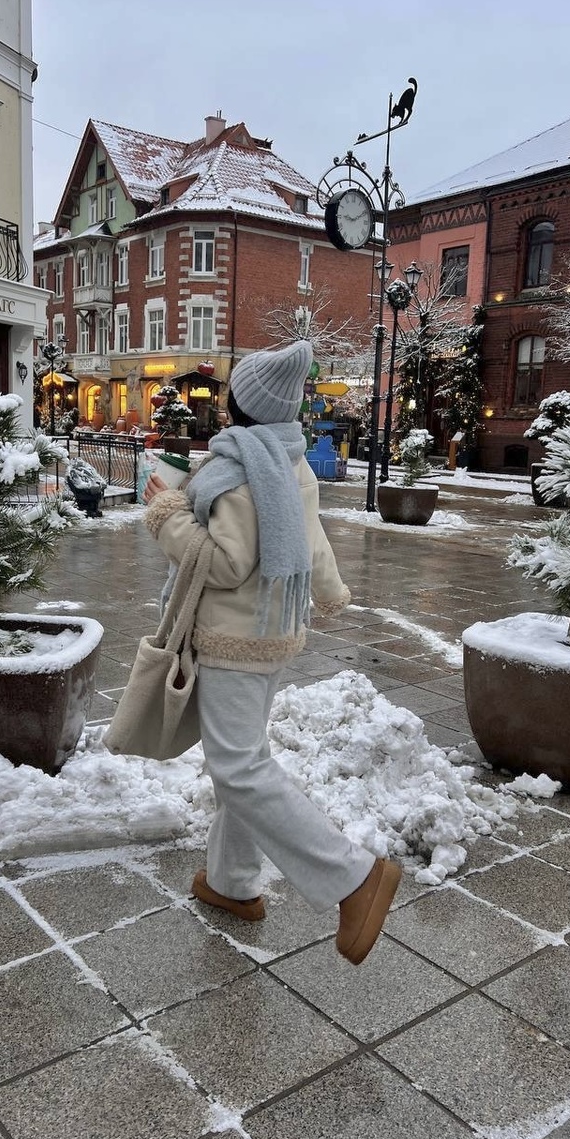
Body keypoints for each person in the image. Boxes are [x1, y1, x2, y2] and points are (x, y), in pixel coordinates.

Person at [143, 339, 401, 965]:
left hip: (235, 638)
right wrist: (330, 590)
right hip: (270, 633)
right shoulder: (289, 459)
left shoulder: (238, 471)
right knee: (244, 757)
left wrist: (165, 513)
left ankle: (354, 877)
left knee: (238, 768)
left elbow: (226, 562)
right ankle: (232, 883)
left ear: (239, 405)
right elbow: (307, 540)